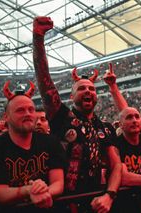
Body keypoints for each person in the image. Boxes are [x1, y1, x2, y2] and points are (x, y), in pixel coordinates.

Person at [33, 16, 122, 212]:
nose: (88, 91)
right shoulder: (61, 117)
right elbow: (44, 81)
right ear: (72, 97)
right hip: (63, 204)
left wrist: (109, 195)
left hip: (97, 203)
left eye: (91, 88)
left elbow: (116, 166)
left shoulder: (104, 128)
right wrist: (38, 39)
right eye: (81, 88)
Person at [0, 82, 65, 209]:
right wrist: (29, 190)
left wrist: (42, 193)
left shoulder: (51, 142)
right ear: (6, 117)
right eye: (20, 110)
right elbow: (0, 193)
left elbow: (58, 183)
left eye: (31, 109)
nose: (28, 114)